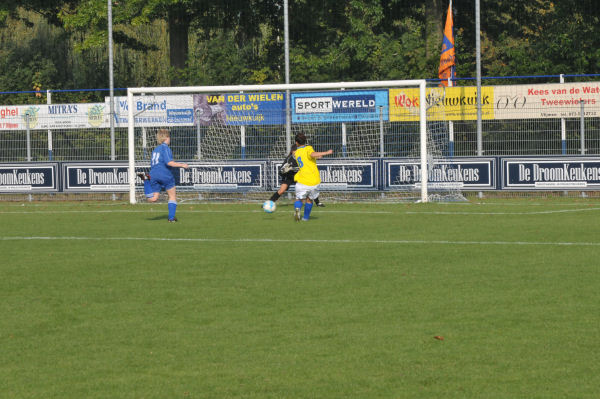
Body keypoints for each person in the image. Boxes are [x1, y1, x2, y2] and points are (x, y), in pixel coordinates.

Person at [138, 129, 189, 222]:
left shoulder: (155, 149)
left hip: (153, 174)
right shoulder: (165, 148)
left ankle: (146, 181)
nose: (170, 139)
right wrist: (182, 165)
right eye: (169, 137)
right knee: (172, 196)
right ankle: (171, 218)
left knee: (153, 198)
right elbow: (169, 162)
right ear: (166, 138)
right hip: (164, 173)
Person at [292, 133, 333, 221]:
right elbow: (311, 154)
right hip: (314, 180)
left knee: (298, 199)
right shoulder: (308, 148)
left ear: (296, 143)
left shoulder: (296, 152)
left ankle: (297, 210)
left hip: (302, 180)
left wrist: (317, 156)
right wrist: (326, 152)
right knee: (309, 199)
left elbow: (307, 158)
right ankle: (305, 218)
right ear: (305, 141)